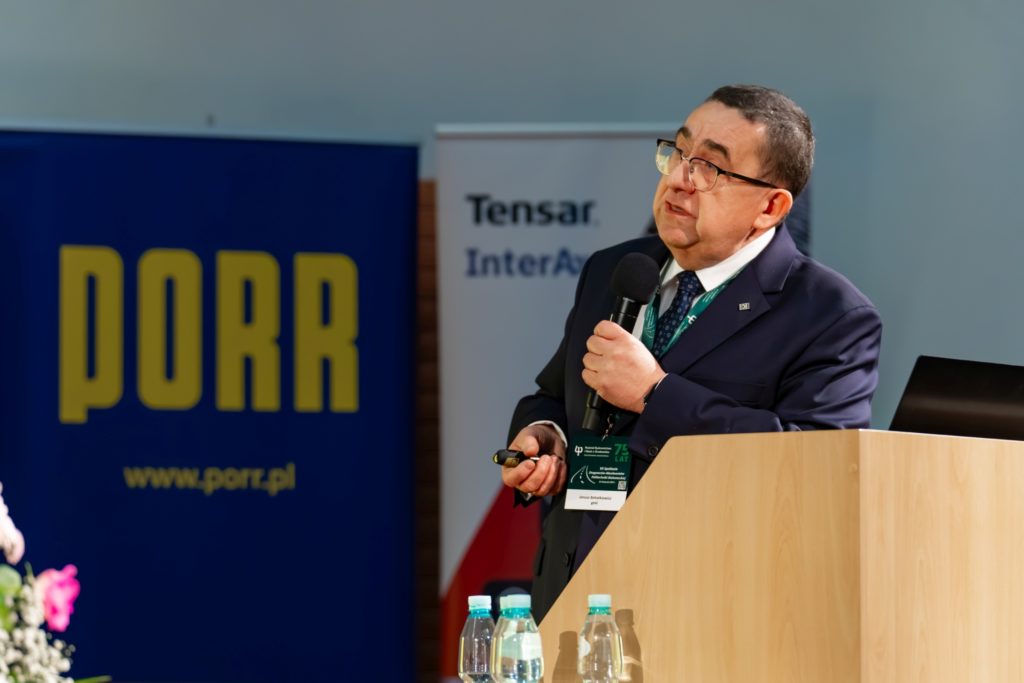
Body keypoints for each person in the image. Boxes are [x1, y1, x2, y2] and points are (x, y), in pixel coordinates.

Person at [500, 84, 882, 622]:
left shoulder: (830, 316)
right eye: (679, 152)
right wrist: (546, 436)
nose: (680, 178)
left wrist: (655, 395)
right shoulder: (616, 269)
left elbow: (813, 472)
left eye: (711, 168)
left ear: (771, 206)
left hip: (709, 610)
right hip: (574, 590)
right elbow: (552, 394)